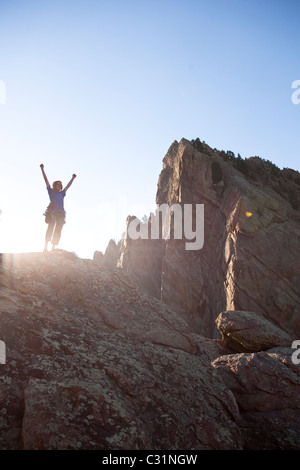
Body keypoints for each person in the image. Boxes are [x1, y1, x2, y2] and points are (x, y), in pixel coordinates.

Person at [40, 164, 77, 252]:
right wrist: (42, 169)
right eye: (58, 184)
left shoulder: (62, 193)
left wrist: (73, 178)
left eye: (60, 185)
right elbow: (46, 180)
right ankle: (45, 247)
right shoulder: (51, 192)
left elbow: (68, 186)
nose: (59, 186)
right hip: (53, 211)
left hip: (61, 213)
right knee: (51, 227)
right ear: (54, 185)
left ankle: (53, 247)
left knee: (58, 229)